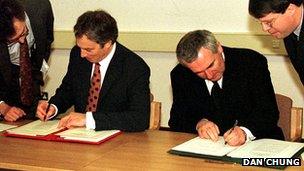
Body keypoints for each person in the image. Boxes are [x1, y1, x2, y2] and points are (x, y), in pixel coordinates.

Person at [36, 10, 150, 132]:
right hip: (77, 135)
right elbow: (68, 90)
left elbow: (139, 119)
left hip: (117, 141)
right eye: (80, 47)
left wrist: (88, 119)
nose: (82, 54)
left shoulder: (135, 67)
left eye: (89, 49)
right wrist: (53, 106)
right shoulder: (77, 54)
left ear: (107, 44)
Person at [169, 30, 284, 146]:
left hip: (259, 143)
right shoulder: (181, 74)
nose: (209, 75)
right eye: (199, 72)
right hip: (211, 148)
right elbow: (176, 120)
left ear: (219, 48)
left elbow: (269, 113)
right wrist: (199, 123)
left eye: (210, 65)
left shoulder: (251, 62)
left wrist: (244, 132)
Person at [0, 0, 54, 121]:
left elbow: (47, 41)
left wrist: (34, 77)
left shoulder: (41, 7)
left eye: (24, 32)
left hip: (29, 69)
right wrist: (3, 107)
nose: (22, 40)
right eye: (14, 39)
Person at [249, 0, 304, 85]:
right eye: (261, 23)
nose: (265, 29)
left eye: (269, 22)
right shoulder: (287, 31)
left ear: (290, 9)